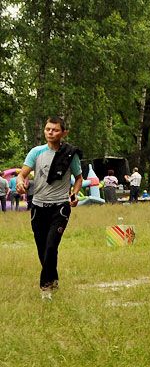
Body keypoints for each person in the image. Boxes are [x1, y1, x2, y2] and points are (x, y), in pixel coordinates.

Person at [16, 116, 83, 300]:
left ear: (64, 133)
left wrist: (75, 194)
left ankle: (45, 289)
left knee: (52, 246)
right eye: (47, 129)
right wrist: (21, 183)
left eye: (54, 130)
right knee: (42, 249)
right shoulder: (36, 152)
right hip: (38, 206)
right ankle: (53, 280)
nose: (50, 132)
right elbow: (22, 175)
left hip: (60, 207)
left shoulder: (70, 154)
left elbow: (78, 178)